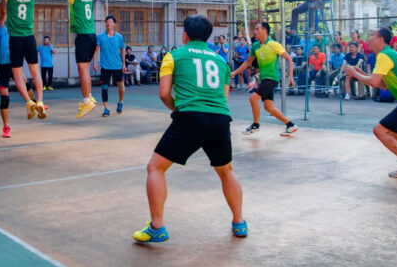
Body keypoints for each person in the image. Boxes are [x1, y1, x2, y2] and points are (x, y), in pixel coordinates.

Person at [132, 15, 246, 243]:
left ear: (185, 35)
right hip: (220, 119)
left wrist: (178, 108)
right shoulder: (221, 61)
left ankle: (157, 226)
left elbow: (164, 93)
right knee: (227, 171)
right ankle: (239, 222)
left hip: (190, 117)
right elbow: (223, 98)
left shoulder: (173, 56)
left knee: (155, 168)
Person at [344, 27, 397, 178]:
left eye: (372, 36)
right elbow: (382, 84)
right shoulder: (388, 54)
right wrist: (362, 73)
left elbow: (375, 84)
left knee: (380, 131)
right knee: (393, 130)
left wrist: (354, 73)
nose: (369, 39)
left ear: (380, 40)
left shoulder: (384, 55)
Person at [0, 0, 46, 120]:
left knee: (18, 76)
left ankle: (28, 102)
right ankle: (39, 101)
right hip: (30, 39)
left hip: (16, 40)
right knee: (35, 73)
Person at [45, 0, 96, 108]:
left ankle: (87, 101)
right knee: (85, 70)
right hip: (92, 36)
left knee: (83, 71)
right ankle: (90, 97)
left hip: (84, 38)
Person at [231, 22, 298, 136]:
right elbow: (248, 62)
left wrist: (290, 76)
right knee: (269, 107)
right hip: (263, 79)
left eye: (257, 29)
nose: (255, 31)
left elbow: (289, 59)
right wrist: (235, 73)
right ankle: (290, 125)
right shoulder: (255, 46)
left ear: (265, 30)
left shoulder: (273, 44)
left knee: (253, 98)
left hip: (271, 78)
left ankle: (256, 125)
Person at [93, 16, 127, 117]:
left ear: (114, 24)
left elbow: (122, 51)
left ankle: (120, 102)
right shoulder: (100, 37)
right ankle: (106, 108)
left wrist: (124, 64)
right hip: (105, 67)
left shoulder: (119, 37)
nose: (108, 23)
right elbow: (96, 51)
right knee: (104, 87)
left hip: (117, 66)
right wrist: (94, 62)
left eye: (110, 21)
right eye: (107, 22)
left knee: (121, 87)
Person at [0, 4, 13, 138]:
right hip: (2, 67)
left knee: (25, 83)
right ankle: (6, 127)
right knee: (5, 99)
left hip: (13, 65)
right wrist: (7, 1)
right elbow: (3, 15)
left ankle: (36, 103)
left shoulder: (11, 32)